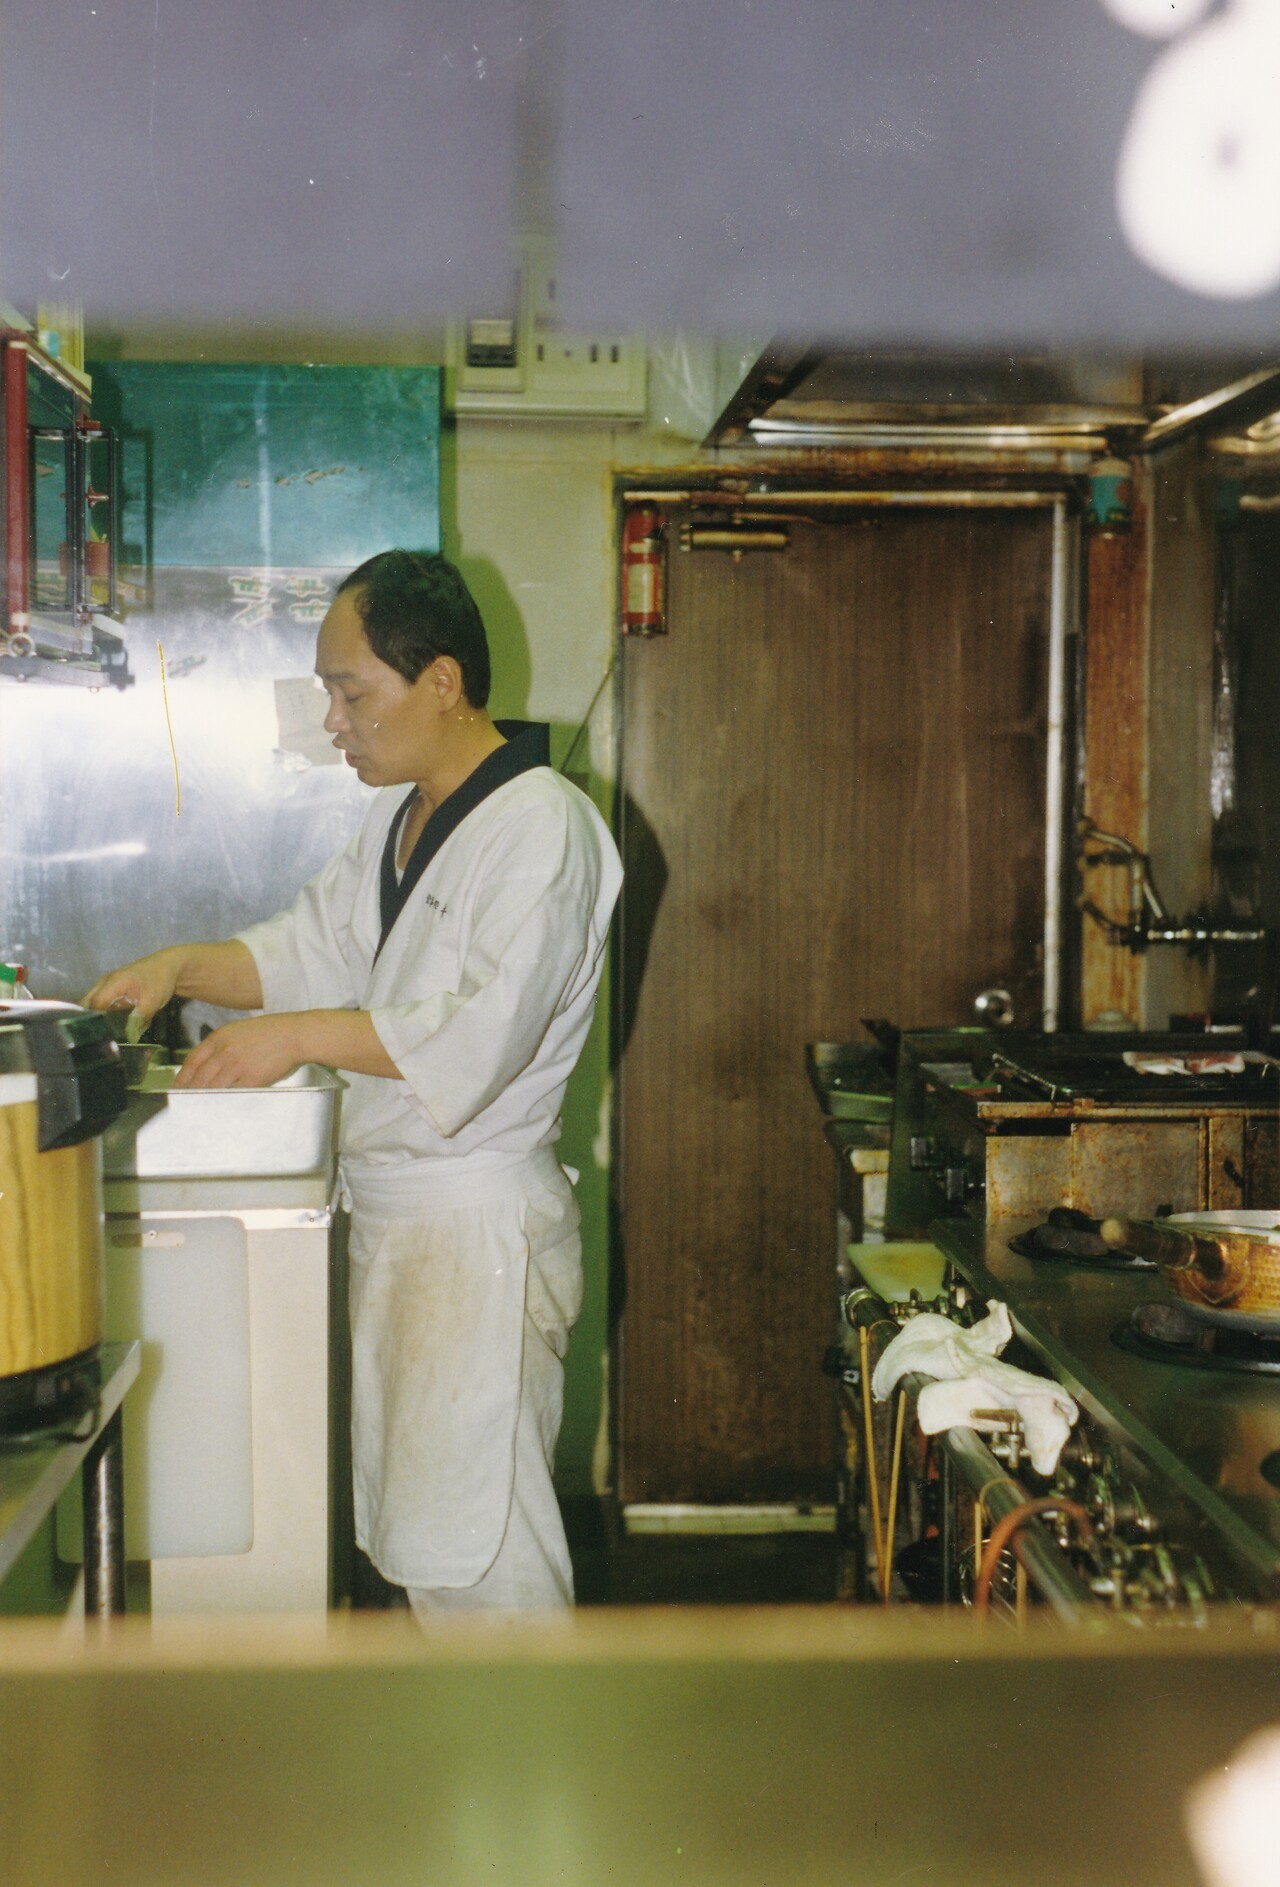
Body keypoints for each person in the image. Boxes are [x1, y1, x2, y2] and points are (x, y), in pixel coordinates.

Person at [86, 550, 623, 1616]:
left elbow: (481, 1032)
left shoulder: (543, 826)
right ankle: (478, 1773)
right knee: (427, 1539)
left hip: (475, 1234)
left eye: (350, 692)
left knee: (485, 1551)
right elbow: (307, 949)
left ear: (442, 682)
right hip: (404, 1232)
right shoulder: (397, 816)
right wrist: (183, 966)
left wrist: (293, 1038)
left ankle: (541, 1777)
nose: (333, 720)